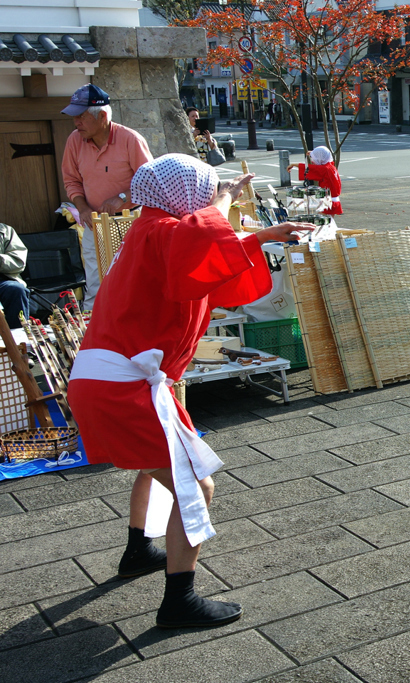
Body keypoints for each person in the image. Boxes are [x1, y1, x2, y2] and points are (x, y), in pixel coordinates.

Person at [66, 154, 313, 628]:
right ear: (185, 196)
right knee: (196, 484)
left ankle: (139, 548)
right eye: (203, 192)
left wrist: (258, 236)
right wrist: (223, 202)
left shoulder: (149, 230)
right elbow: (201, 242)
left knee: (158, 467)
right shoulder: (163, 232)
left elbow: (198, 259)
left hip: (106, 380)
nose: (209, 199)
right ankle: (179, 600)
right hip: (126, 385)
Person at [61, 84, 154, 310]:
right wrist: (82, 208)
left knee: (133, 277)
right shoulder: (75, 140)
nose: (76, 123)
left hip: (130, 219)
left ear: (102, 116)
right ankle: (95, 329)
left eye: (81, 117)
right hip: (93, 222)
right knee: (95, 279)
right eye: (74, 117)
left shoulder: (130, 139)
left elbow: (151, 183)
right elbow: (71, 181)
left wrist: (121, 197)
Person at [286, 146, 343, 215]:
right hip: (333, 200)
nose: (313, 160)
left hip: (328, 202)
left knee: (324, 223)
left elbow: (311, 168)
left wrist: (294, 164)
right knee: (329, 222)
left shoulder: (325, 170)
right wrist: (313, 153)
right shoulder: (331, 166)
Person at [0, 223, 30, 330]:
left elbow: (18, 262)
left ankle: (17, 340)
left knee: (16, 289)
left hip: (3, 280)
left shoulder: (5, 231)